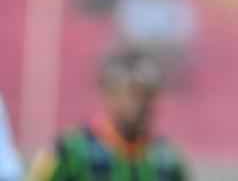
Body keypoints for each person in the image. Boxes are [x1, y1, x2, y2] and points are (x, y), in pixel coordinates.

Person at [27, 50, 188, 181]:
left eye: (149, 94)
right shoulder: (70, 150)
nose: (143, 104)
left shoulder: (167, 159)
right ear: (110, 94)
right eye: (134, 94)